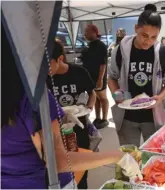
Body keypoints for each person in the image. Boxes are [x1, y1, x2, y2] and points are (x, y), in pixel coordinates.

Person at [1, 24, 142, 189]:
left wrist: (61, 114)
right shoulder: (34, 98)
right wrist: (117, 156)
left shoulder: (20, 96)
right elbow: (58, 161)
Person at [108, 4, 165, 147]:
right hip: (127, 117)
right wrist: (116, 94)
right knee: (129, 160)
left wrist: (160, 97)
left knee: (153, 157)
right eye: (144, 35)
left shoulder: (162, 52)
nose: (148, 41)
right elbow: (112, 77)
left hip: (153, 118)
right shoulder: (121, 50)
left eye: (153, 37)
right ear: (136, 28)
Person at [47, 39, 97, 189]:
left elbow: (92, 92)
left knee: (81, 172)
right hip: (56, 133)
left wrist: (89, 106)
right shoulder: (44, 80)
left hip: (78, 129)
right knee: (61, 173)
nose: (44, 69)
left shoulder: (79, 72)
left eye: (48, 64)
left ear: (60, 59)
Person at [81, 24, 109, 129]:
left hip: (99, 77)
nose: (85, 34)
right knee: (95, 98)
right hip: (90, 77)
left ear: (94, 32)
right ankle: (97, 117)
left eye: (87, 31)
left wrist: (100, 79)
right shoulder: (89, 45)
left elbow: (103, 64)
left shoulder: (101, 45)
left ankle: (105, 118)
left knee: (102, 98)